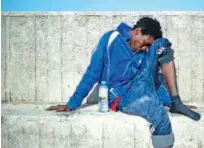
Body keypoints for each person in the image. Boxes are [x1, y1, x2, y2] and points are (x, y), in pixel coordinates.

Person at [46, 17, 201, 148]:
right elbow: (92, 74)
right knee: (154, 109)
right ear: (137, 32)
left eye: (148, 46)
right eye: (145, 43)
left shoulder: (143, 51)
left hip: (141, 85)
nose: (145, 48)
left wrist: (169, 102)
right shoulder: (111, 40)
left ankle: (176, 101)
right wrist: (72, 104)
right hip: (121, 95)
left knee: (162, 45)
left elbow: (154, 81)